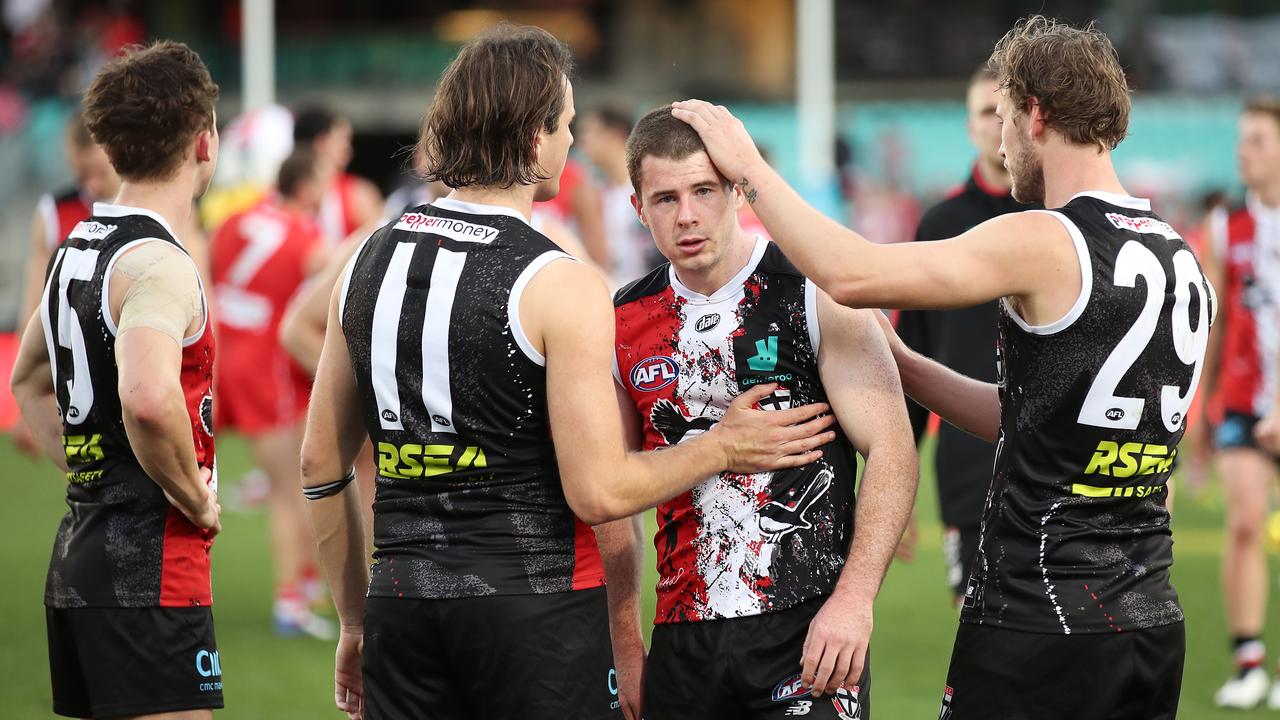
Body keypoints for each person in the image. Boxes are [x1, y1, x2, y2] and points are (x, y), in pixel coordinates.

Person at [673, 15, 1212, 719]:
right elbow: (1032, 418)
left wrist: (747, 167)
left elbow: (851, 274)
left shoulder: (1045, 238)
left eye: (1004, 117)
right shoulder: (1176, 251)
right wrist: (905, 365)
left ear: (1036, 115)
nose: (1000, 140)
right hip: (1149, 618)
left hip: (1038, 619)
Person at [298, 24, 835, 720]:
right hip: (535, 616)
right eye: (567, 125)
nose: (573, 141)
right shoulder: (556, 279)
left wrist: (353, 622)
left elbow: (320, 461)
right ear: (531, 139)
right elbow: (600, 491)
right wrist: (724, 446)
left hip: (401, 605)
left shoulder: (368, 257)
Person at [614, 106, 918, 719]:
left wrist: (854, 602)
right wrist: (625, 640)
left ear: (733, 190)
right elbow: (613, 494)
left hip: (807, 634)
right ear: (638, 208)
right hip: (683, 637)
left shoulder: (814, 290)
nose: (688, 215)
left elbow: (893, 448)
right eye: (666, 198)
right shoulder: (622, 319)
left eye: (703, 190)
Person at [8, 40, 224, 719]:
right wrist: (196, 497)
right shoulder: (158, 262)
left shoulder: (77, 246)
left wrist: (87, 474)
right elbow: (149, 398)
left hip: (80, 556)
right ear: (204, 143)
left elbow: (28, 378)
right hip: (150, 573)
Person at [894, 65, 1040, 604]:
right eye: (985, 112)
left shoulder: (1058, 217)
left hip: (1051, 452)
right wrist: (897, 482)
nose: (996, 124)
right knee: (976, 627)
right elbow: (911, 357)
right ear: (969, 126)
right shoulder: (939, 225)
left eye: (1006, 112)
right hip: (966, 459)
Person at [211, 148, 332, 638]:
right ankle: (291, 605)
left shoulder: (233, 220)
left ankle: (303, 584)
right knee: (289, 492)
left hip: (222, 356)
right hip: (267, 365)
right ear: (305, 186)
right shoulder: (308, 238)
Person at [1201, 97, 1280, 709]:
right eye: (1241, 139)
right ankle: (1249, 659)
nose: (1241, 151)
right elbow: (1214, 321)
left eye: (1255, 140)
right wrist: (1200, 406)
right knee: (1247, 521)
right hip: (1243, 403)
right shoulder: (1228, 227)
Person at [577, 104, 658, 285]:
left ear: (616, 133)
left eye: (589, 133)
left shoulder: (651, 186)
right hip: (616, 295)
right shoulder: (597, 193)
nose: (582, 143)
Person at [292, 104, 383, 245]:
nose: (349, 150)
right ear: (321, 143)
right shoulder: (358, 195)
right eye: (344, 140)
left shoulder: (359, 194)